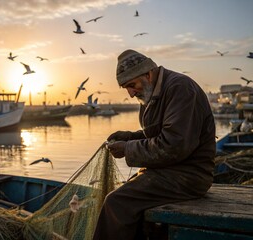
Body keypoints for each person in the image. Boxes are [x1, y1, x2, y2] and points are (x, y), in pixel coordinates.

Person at [93, 49, 216, 240]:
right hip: (167, 171)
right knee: (126, 198)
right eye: (126, 88)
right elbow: (158, 134)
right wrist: (129, 137)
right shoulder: (152, 93)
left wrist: (127, 149)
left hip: (189, 175)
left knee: (116, 202)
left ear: (148, 74)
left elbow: (175, 145)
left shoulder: (180, 88)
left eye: (132, 85)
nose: (130, 93)